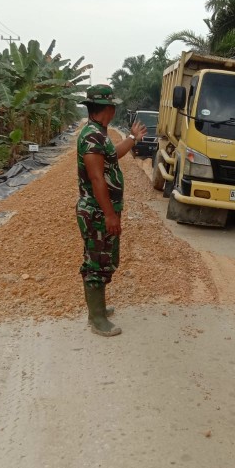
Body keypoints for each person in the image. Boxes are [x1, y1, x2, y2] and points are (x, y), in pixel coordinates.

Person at [77, 85, 147, 337]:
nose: (115, 108)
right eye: (113, 105)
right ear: (106, 108)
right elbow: (97, 179)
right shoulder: (92, 137)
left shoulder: (100, 134)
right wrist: (108, 214)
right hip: (97, 212)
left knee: (105, 259)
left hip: (102, 211)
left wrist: (131, 138)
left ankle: (99, 309)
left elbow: (112, 156)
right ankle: (96, 318)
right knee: (97, 263)